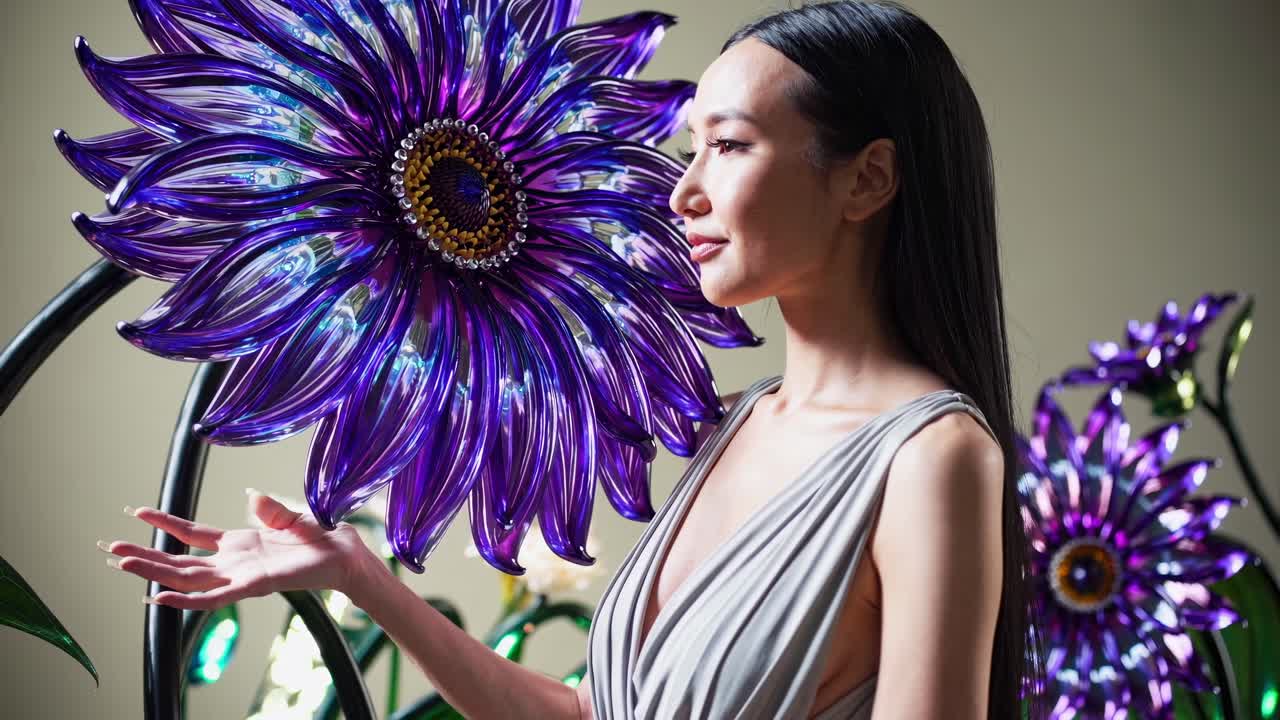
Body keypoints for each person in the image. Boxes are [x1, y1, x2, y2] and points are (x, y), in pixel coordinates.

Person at [103, 2, 1046, 718]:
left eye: (729, 146)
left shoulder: (934, 458)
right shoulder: (740, 421)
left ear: (867, 178)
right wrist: (360, 576)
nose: (683, 192)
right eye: (690, 147)